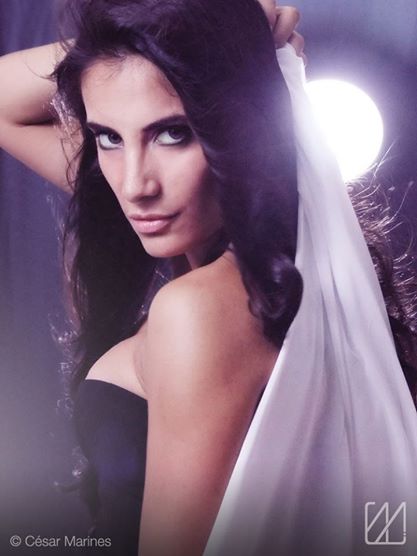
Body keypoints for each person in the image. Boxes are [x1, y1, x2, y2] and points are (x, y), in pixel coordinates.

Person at [0, 1, 416, 555]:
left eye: (173, 134)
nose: (135, 184)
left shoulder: (199, 310)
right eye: (108, 137)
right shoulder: (271, 283)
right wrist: (159, 36)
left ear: (241, 134)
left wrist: (212, 39)